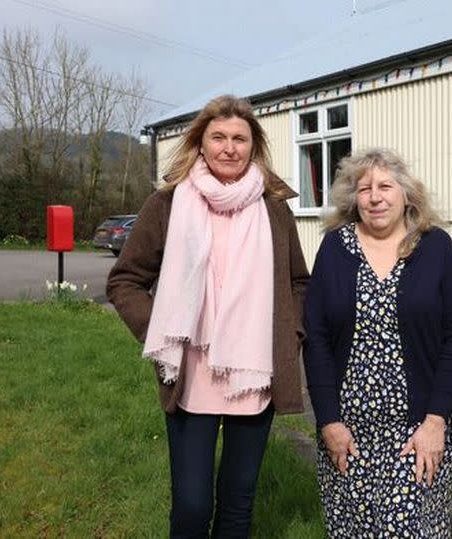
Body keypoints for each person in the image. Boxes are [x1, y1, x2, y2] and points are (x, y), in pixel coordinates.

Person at [106, 94, 308, 538]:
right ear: (201, 143)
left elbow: (299, 281)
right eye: (218, 137)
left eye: (240, 138)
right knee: (193, 508)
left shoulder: (274, 210)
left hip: (253, 377)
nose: (229, 147)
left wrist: (286, 336)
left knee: (238, 505)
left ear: (253, 147)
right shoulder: (168, 204)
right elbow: (125, 281)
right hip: (191, 379)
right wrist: (159, 331)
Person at [303, 148, 452, 537]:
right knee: (353, 530)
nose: (375, 197)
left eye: (385, 186)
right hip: (348, 431)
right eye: (364, 189)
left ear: (406, 193)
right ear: (353, 198)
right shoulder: (334, 249)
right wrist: (328, 421)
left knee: (408, 527)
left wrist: (436, 420)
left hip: (417, 429)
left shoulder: (436, 247)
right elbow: (317, 340)